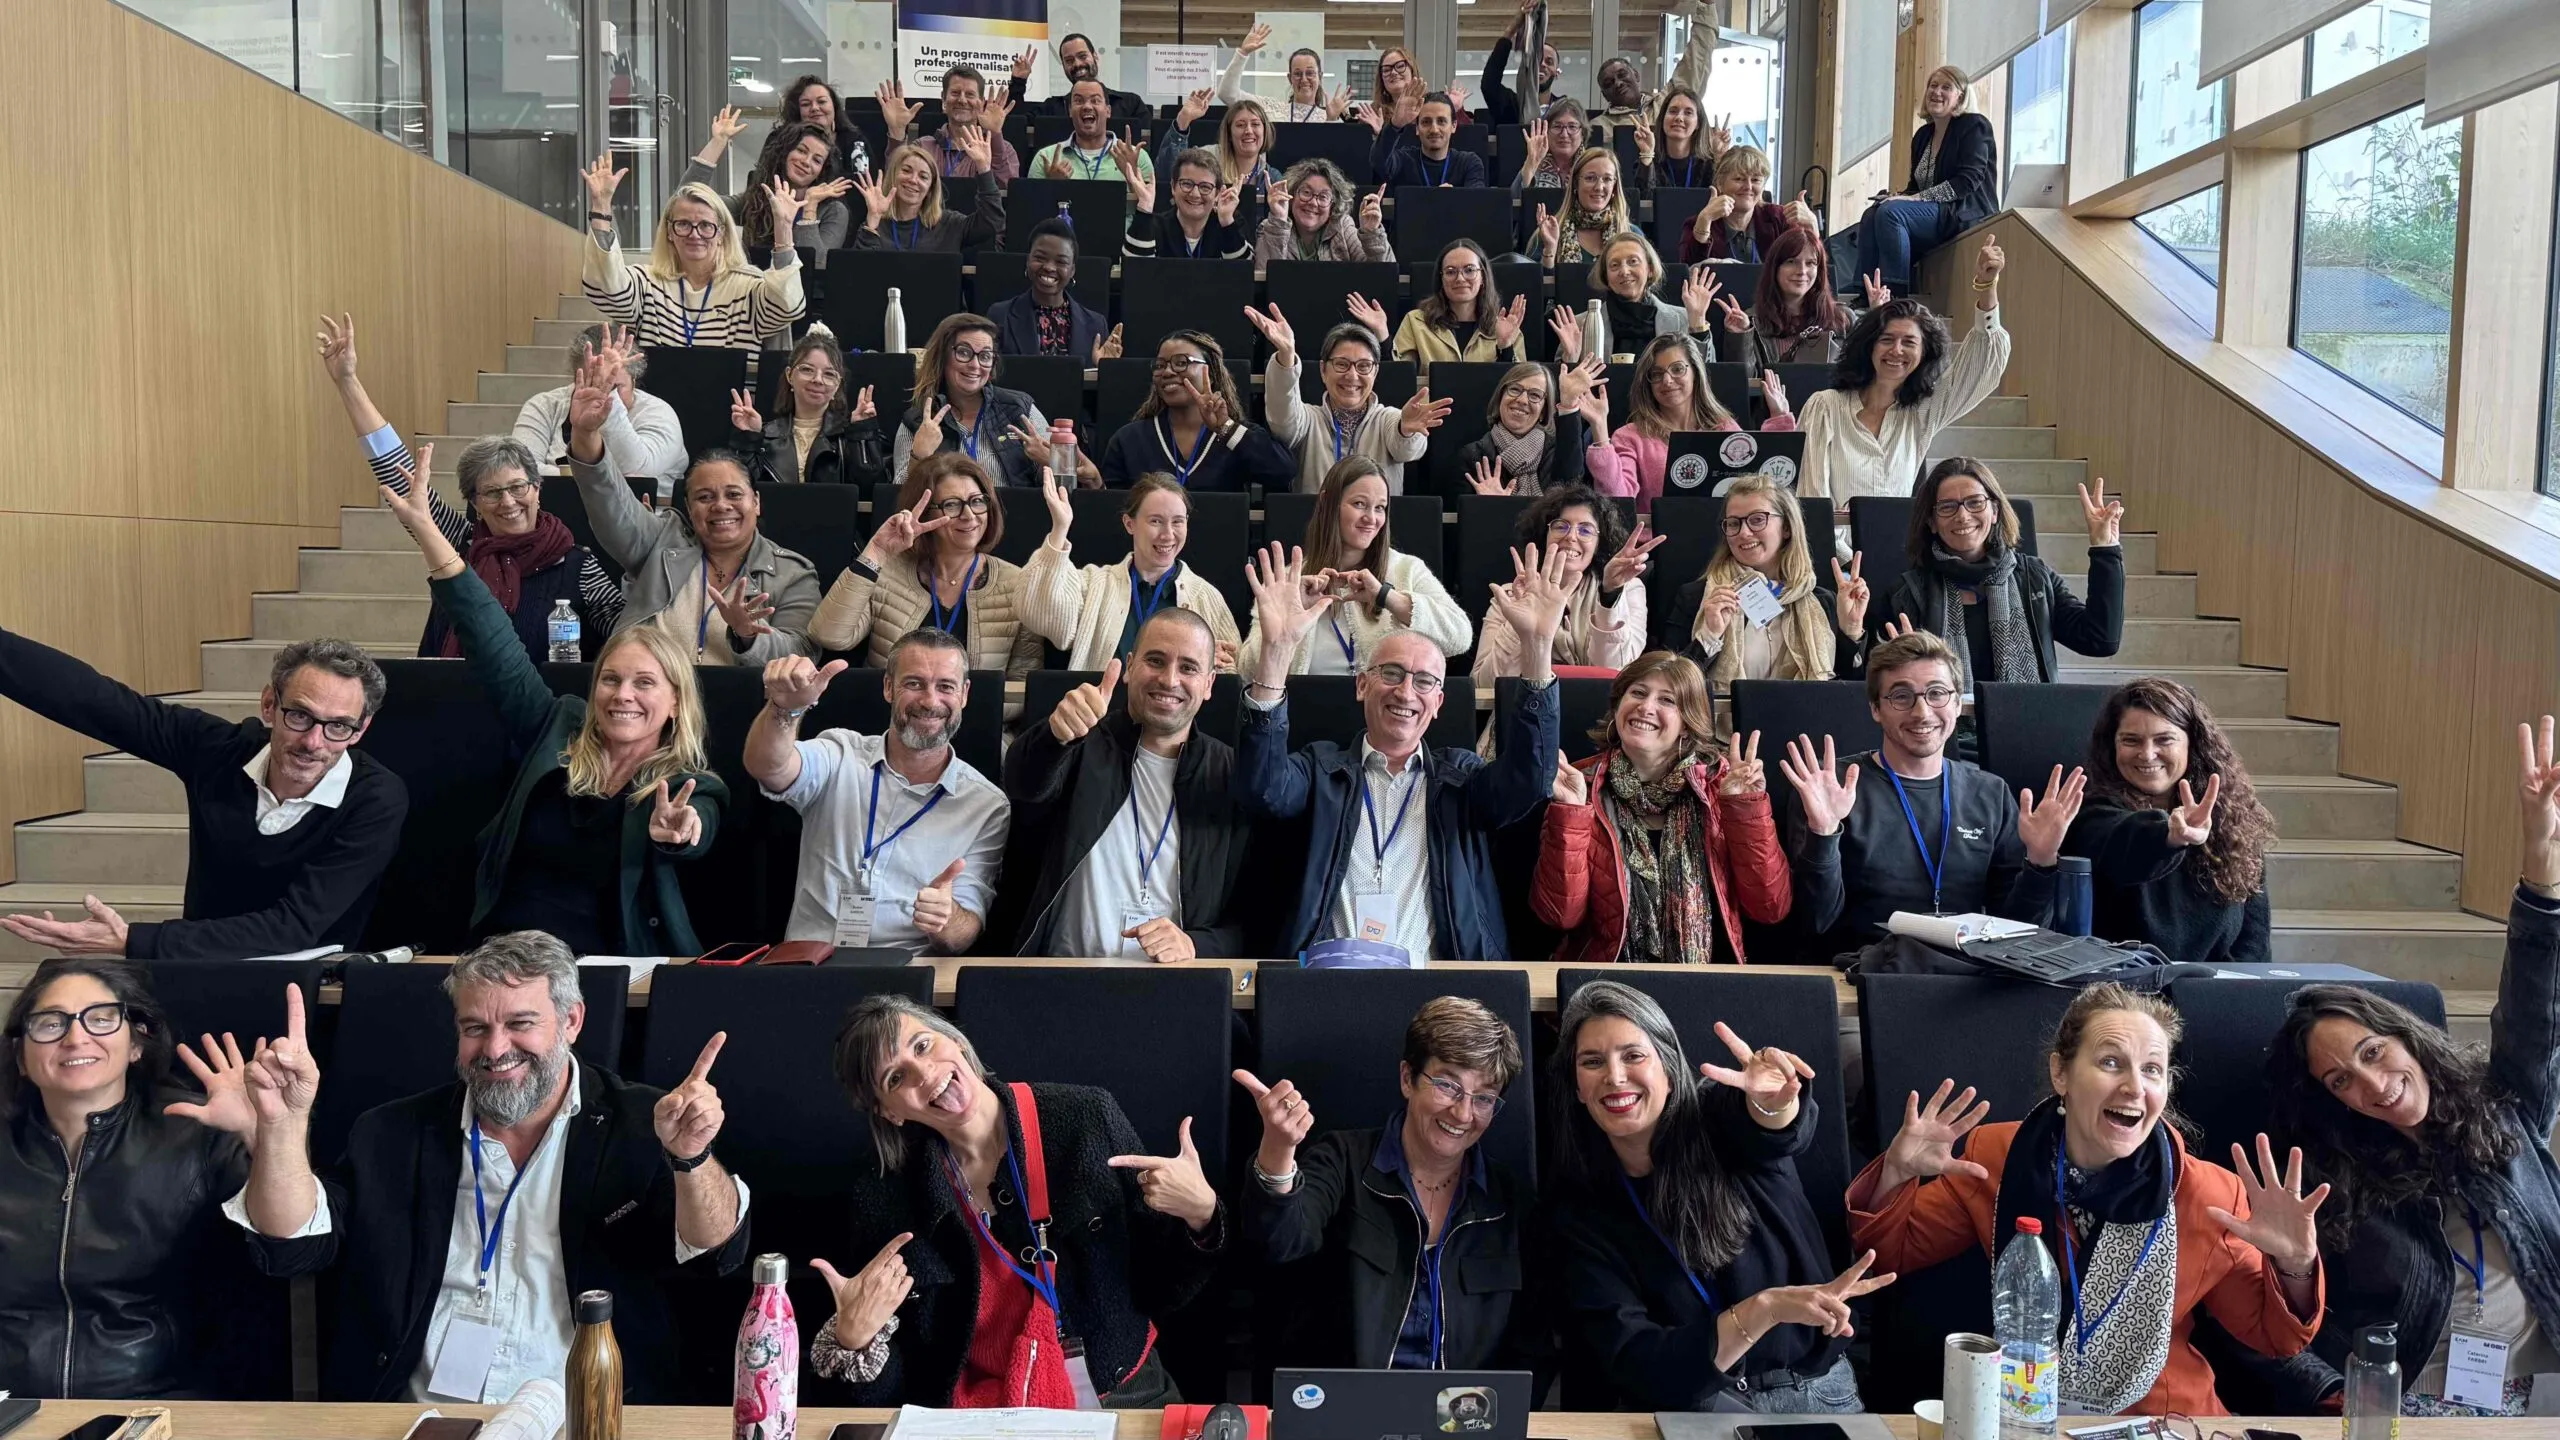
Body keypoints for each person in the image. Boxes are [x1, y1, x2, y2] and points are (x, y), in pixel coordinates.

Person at [227, 933, 752, 1402]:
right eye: (475, 1028)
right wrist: (282, 1125)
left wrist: (691, 1157)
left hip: (586, 1415)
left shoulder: (645, 1123)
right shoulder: (391, 1133)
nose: (496, 1049)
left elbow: (715, 1252)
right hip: (420, 1415)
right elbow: (293, 1244)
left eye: (520, 1023)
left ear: (571, 1021)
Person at [2262, 717, 2560, 1417]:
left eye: (2372, 1052)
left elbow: (2535, 1010)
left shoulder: (2505, 1109)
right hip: (2417, 1403)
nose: (2371, 1084)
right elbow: (2293, 1325)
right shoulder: (2337, 1180)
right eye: (2340, 1081)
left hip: (2539, 1397)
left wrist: (2541, 866)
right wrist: (2331, 1381)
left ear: (2407, 1038)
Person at [1851, 984, 2327, 1415]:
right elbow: (1887, 1257)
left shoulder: (2210, 1194)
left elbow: (2276, 1338)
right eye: (2111, 1062)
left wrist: (2296, 1263)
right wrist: (1897, 1172)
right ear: (2061, 1072)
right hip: (2023, 1411)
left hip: (2160, 1419)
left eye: (2152, 1070)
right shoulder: (1997, 1157)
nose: (2134, 1087)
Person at [809, 995, 1221, 1403]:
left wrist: (1201, 1216)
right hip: (980, 1413)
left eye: (922, 1045)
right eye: (895, 1078)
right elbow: (899, 1387)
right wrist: (855, 1341)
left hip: (1123, 1391)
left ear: (956, 1041)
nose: (924, 1071)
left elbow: (1162, 1290)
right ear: (890, 1113)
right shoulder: (884, 1195)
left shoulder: (1087, 1117)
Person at [379, 473, 726, 955]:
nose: (623, 695)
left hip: (612, 969)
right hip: (505, 953)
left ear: (676, 702)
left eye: (645, 683)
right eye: (610, 679)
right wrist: (429, 535)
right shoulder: (557, 725)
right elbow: (492, 641)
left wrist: (682, 832)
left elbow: (697, 825)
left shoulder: (691, 785)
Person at [1549, 979, 1887, 1412]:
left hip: (1813, 1390)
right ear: (1578, 1088)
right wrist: (1763, 1309)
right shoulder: (1580, 1211)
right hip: (1695, 1407)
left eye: (1633, 1056)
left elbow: (1775, 1129)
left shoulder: (1718, 1119)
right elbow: (1636, 1359)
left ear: (1669, 1070)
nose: (1614, 1077)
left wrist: (1772, 1103)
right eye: (1592, 1062)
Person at [1232, 540, 1562, 962]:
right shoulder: (1321, 770)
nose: (1406, 692)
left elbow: (1529, 781)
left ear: (1438, 703)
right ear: (1362, 684)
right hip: (1327, 982)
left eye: (1424, 681)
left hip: (1437, 989)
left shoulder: (1461, 781)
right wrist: (1276, 652)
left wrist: (1537, 648)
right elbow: (1261, 788)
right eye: (1391, 673)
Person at [0, 629, 401, 961]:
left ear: (361, 730)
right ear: (269, 705)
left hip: (313, 983)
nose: (313, 742)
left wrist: (131, 940)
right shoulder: (217, 750)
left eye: (338, 727)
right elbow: (97, 701)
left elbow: (291, 928)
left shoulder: (375, 799)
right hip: (196, 964)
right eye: (299, 715)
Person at [1237, 996, 1544, 1369]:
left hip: (1465, 1404)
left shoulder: (1511, 1200)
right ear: (1407, 1078)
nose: (1463, 1114)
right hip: (1347, 1400)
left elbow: (1533, 1345)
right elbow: (1280, 1241)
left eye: (1484, 1098)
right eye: (1448, 1085)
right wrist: (1278, 1148)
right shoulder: (1342, 1159)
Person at [0, 960, 253, 1397]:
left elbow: (293, 1248)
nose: (76, 1037)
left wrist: (266, 1135)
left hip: (162, 1400)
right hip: (11, 1405)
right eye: (50, 1023)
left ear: (136, 1044)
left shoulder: (199, 1134)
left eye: (101, 1019)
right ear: (21, 1055)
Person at [316, 313, 619, 662]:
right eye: (492, 493)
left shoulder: (577, 564)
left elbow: (626, 629)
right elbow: (395, 471)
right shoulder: (459, 544)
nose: (508, 502)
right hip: (451, 690)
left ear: (538, 488)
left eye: (518, 487)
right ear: (475, 503)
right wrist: (348, 382)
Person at [1778, 630, 2073, 951]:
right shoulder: (1831, 787)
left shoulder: (1990, 794)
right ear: (1876, 708)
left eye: (1937, 693)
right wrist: (1823, 835)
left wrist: (2041, 863)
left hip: (1964, 971)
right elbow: (1815, 924)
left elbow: (2017, 931)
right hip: (1863, 969)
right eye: (1901, 696)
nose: (1921, 712)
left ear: (1957, 704)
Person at [1000, 609, 1252, 959]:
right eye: (1155, 660)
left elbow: (1249, 917)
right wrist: (1053, 735)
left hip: (1177, 982)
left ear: (1209, 684)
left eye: (1188, 668)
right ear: (1130, 666)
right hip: (1064, 976)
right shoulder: (1077, 743)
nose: (1169, 680)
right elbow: (1023, 785)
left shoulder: (1230, 774)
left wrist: (1196, 945)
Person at [746, 640, 1009, 955]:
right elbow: (768, 767)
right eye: (914, 683)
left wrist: (946, 917)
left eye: (946, 687)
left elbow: (964, 932)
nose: (930, 701)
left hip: (908, 971)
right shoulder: (840, 753)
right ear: (888, 687)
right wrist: (785, 710)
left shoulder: (986, 805)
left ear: (964, 694)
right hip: (809, 964)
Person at [560, 360, 823, 666]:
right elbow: (610, 505)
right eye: (704, 497)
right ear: (688, 507)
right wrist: (585, 434)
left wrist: (750, 635)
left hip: (741, 695)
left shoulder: (793, 573)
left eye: (734, 494)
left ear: (756, 502)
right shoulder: (660, 541)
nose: (720, 505)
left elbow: (804, 651)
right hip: (650, 690)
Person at [1535, 656, 1791, 964]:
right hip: (1610, 980)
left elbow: (1770, 907)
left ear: (1687, 725)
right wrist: (1570, 813)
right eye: (1638, 693)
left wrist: (1744, 809)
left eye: (1667, 700)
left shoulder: (1724, 786)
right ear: (1618, 707)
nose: (1646, 707)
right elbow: (1559, 915)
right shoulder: (1578, 785)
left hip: (1709, 978)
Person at [2067, 679, 2274, 967]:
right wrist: (2171, 835)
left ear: (2193, 743)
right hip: (2125, 986)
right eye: (2131, 740)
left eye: (2164, 740)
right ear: (2112, 746)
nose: (2147, 754)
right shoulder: (2090, 812)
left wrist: (2233, 988)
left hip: (2215, 986)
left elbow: (2253, 939)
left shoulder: (2230, 816)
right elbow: (2123, 842)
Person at [1797, 233, 2013, 504]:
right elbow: (1811, 499)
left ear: (1924, 354)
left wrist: (1987, 287)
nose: (1897, 350)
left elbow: (1981, 367)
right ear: (1869, 346)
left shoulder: (1921, 412)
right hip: (1833, 534)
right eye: (1887, 340)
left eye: (1909, 342)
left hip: (1897, 533)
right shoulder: (1825, 407)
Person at [1880, 458, 2123, 689]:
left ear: (1995, 511)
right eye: (1947, 507)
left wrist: (2105, 549)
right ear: (1931, 522)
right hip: (1939, 719)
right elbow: (1879, 680)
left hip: (2025, 717)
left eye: (1975, 502)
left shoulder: (2034, 579)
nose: (1963, 516)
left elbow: (2100, 640)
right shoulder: (1907, 592)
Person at [814, 454, 1048, 683]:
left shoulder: (1018, 583)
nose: (969, 515)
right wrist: (876, 551)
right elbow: (829, 636)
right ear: (924, 513)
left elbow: (1021, 684)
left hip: (976, 709)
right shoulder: (886, 573)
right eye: (952, 505)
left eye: (977, 501)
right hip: (890, 707)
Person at [1235, 460, 1471, 676]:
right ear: (1327, 502)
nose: (1371, 518)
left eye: (1380, 507)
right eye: (1360, 504)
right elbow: (1247, 671)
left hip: (1386, 706)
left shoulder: (1407, 568)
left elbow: (1460, 637)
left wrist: (1386, 597)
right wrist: (1287, 619)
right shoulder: (1289, 580)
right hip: (1306, 707)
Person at [1023, 472, 1245, 671]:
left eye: (1177, 522)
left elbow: (1232, 673)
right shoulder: (1094, 584)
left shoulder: (1206, 596)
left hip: (1171, 703)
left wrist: (1211, 665)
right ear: (1130, 524)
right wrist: (1059, 530)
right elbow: (1038, 614)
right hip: (1103, 703)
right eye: (1156, 521)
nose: (1168, 534)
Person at [1668, 474, 1862, 697]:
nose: (1744, 533)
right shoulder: (1696, 598)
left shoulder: (1823, 602)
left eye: (1757, 519)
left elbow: (1848, 695)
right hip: (1723, 720)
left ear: (1787, 527)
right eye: (1734, 523)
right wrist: (1709, 637)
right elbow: (1668, 685)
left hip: (1805, 718)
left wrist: (1851, 631)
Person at [580, 158, 804, 350]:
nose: (694, 234)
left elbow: (786, 307)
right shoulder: (646, 283)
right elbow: (606, 290)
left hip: (729, 389)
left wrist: (784, 231)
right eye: (683, 224)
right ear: (669, 232)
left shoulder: (748, 286)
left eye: (706, 225)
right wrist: (601, 208)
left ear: (722, 233)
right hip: (659, 389)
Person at [1586, 333, 1796, 514]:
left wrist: (1779, 418)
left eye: (1677, 369)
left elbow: (1762, 488)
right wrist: (1600, 429)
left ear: (1696, 373)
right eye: (1656, 374)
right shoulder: (1630, 436)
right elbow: (1617, 502)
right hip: (1658, 542)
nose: (1667, 380)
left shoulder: (1723, 427)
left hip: (1725, 540)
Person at [1472, 485, 1658, 684]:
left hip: (1597, 703)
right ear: (1544, 536)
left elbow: (1615, 672)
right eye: (1561, 526)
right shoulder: (1508, 596)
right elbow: (1484, 684)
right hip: (1527, 701)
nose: (1571, 536)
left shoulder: (1627, 589)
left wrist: (1609, 596)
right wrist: (1518, 624)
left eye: (1585, 530)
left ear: (1599, 544)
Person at [1249, 311, 1446, 494]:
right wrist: (1286, 357)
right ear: (1323, 370)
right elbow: (1283, 417)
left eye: (1364, 366)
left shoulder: (1389, 419)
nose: (1352, 375)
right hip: (1317, 520)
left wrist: (1406, 431)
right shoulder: (1308, 419)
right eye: (1342, 364)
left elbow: (1406, 450)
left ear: (1375, 372)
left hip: (1373, 520)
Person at [1856, 65, 2000, 297]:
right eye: (1933, 85)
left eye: (1946, 87)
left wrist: (1914, 199)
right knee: (1873, 213)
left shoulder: (1974, 125)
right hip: (1933, 213)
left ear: (1960, 96)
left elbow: (1967, 181)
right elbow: (1916, 187)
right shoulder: (1923, 136)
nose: (1937, 92)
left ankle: (1895, 295)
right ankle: (1865, 293)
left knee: (1891, 213)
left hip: (1963, 212)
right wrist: (1899, 196)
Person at [1099, 331, 1299, 492]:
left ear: (1210, 373)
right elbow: (1114, 507)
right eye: (1160, 365)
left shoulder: (1233, 434)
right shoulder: (1129, 439)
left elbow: (1283, 472)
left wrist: (1226, 428)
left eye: (1181, 363)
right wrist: (1096, 485)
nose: (1167, 372)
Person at [893, 314, 1065, 490]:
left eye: (985, 356)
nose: (975, 365)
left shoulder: (1020, 409)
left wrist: (1050, 462)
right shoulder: (917, 420)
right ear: (942, 357)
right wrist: (919, 456)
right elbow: (898, 497)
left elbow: (1063, 487)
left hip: (1014, 508)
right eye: (963, 352)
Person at [509, 322, 688, 485]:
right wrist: (597, 478)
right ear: (576, 379)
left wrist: (609, 407)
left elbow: (638, 469)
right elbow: (519, 469)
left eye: (614, 387)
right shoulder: (544, 405)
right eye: (592, 384)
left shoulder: (659, 413)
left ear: (633, 381)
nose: (602, 396)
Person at [684, 108, 853, 263]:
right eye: (801, 151)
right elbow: (688, 200)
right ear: (785, 152)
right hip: (754, 284)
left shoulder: (834, 210)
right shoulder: (756, 198)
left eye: (817, 160)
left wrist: (810, 209)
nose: (806, 162)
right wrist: (718, 142)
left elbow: (818, 264)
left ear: (822, 170)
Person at [727, 330, 890, 488]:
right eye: (807, 370)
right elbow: (739, 489)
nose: (817, 380)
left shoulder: (849, 436)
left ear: (837, 385)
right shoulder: (764, 435)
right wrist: (748, 439)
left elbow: (870, 489)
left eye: (829, 374)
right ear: (789, 375)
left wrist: (862, 434)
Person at [1552, 233, 1729, 360]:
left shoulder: (1683, 319)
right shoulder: (1580, 325)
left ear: (1650, 269)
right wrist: (1570, 358)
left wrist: (1697, 323)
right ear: (1606, 276)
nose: (1624, 271)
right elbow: (1561, 388)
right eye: (1614, 265)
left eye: (1633, 262)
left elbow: (1706, 379)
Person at [1452, 358, 1603, 498]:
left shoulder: (1557, 453)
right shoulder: (1472, 457)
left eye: (1535, 395)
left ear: (1543, 412)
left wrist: (1568, 403)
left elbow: (1569, 494)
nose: (1522, 400)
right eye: (1515, 389)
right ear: (1500, 398)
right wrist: (1490, 506)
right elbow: (1460, 516)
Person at [1718, 225, 1855, 372]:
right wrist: (1741, 337)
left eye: (1810, 263)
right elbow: (1746, 381)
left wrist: (1873, 320)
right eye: (1791, 262)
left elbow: (1860, 374)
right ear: (1774, 269)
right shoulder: (1752, 321)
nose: (1802, 271)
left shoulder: (1843, 318)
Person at [1380, 239, 1528, 371]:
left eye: (1469, 270)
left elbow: (1520, 384)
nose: (1460, 278)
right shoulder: (1416, 322)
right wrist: (1383, 335)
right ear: (1441, 279)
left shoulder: (1505, 327)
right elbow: (1399, 377)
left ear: (1483, 277)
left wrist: (1505, 347)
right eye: (1451, 272)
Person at [989, 220, 1124, 358]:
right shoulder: (1000, 316)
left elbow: (1098, 371)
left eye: (1061, 262)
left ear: (1072, 270)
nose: (1049, 267)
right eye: (1040, 258)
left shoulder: (1095, 325)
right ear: (1028, 260)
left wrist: (1103, 367)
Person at [850, 140, 1005, 254]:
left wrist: (984, 169)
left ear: (931, 189)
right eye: (906, 170)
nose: (913, 180)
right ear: (893, 176)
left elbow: (992, 222)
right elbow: (860, 270)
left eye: (923, 177)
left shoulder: (949, 224)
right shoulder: (875, 223)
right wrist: (872, 222)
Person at [875, 65, 1021, 182]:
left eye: (970, 94)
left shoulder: (1004, 150)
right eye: (955, 93)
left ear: (981, 103)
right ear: (943, 100)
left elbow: (1005, 189)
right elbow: (896, 182)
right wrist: (897, 131)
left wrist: (994, 135)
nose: (962, 100)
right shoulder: (923, 147)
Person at [1255, 158, 1396, 264]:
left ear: (1333, 205)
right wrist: (1279, 222)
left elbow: (1382, 276)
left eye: (1323, 197)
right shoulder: (1270, 227)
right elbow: (1263, 276)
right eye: (1306, 192)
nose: (1313, 202)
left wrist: (1371, 234)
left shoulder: (1343, 227)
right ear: (1291, 195)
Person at [1121, 147, 1251, 262]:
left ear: (1217, 193)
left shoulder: (1231, 224)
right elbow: (1134, 270)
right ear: (1173, 187)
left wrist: (1227, 223)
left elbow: (1243, 273)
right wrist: (1144, 206)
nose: (1195, 194)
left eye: (1205, 187)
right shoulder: (1154, 226)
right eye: (1187, 184)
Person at [1004, 32, 1151, 122]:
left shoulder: (1131, 104)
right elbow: (1016, 124)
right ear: (1063, 67)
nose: (1077, 64)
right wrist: (1018, 81)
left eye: (1082, 56)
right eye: (1069, 60)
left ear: (1095, 57)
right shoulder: (1051, 109)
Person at [1217, 29, 1349, 123]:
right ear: (1289, 78)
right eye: (1297, 74)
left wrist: (1331, 120)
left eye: (1310, 73)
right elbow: (1227, 94)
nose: (1304, 79)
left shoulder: (1328, 116)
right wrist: (1243, 53)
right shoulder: (1269, 108)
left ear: (1320, 77)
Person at [1530, 149, 1632, 270]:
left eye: (1607, 179)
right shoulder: (1548, 231)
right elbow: (1534, 280)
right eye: (1590, 178)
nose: (1599, 187)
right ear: (1575, 184)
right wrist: (1550, 249)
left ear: (1614, 187)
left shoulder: (1631, 234)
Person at [1030, 84, 1152, 184]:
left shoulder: (1137, 156)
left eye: (1095, 100)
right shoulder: (1046, 157)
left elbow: (1149, 204)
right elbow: (1030, 205)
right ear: (1070, 111)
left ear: (1108, 111)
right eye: (1079, 101)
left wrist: (1132, 174)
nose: (1087, 106)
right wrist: (1052, 185)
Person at [777, 75, 874, 185]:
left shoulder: (855, 141)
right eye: (806, 104)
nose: (814, 108)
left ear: (834, 106)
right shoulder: (780, 140)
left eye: (822, 101)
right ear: (797, 111)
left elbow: (870, 184)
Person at [1381, 95, 1488, 190]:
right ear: (1417, 128)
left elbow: (1476, 203)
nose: (1434, 130)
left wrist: (1455, 197)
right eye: (1426, 122)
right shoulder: (1403, 160)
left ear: (1453, 126)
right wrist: (1395, 125)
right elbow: (1379, 162)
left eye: (1441, 121)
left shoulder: (1468, 163)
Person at [1482, 0, 1560, 128]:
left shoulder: (1564, 109)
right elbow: (1489, 84)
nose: (1542, 64)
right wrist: (1512, 29)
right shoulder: (1509, 105)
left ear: (1557, 72)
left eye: (1549, 62)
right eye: (1537, 59)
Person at [1642, 85, 1722, 194]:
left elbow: (1722, 197)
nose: (1679, 118)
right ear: (1663, 118)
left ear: (1698, 123)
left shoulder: (1707, 164)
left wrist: (1719, 156)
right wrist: (1646, 155)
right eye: (1673, 111)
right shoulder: (1649, 161)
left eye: (1688, 113)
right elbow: (1644, 200)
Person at [1515, 102, 1588, 194]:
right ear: (1547, 132)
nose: (1564, 134)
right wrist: (1530, 166)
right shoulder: (1533, 162)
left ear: (1583, 134)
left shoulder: (1592, 165)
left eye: (1572, 126)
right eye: (1557, 126)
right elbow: (1514, 198)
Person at [1589, 58, 1650, 148]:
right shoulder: (1598, 126)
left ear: (1636, 75)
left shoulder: (1663, 103)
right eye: (1609, 83)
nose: (1618, 83)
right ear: (1605, 95)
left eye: (1622, 75)